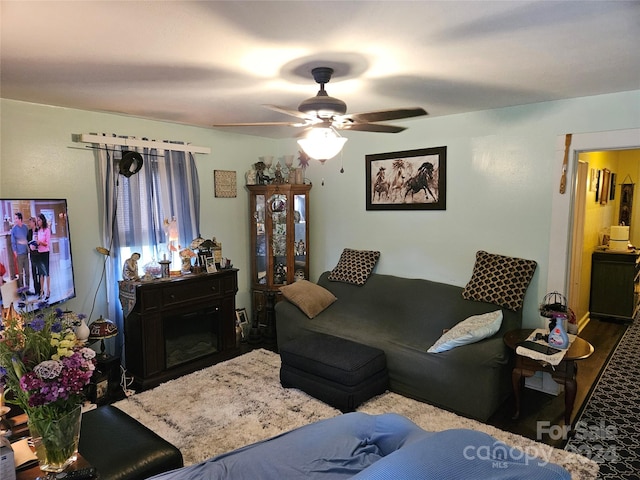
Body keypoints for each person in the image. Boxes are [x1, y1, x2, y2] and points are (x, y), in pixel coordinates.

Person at [10, 212, 31, 293]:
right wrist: (15, 252)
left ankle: (27, 289)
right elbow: (13, 242)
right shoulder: (14, 230)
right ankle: (22, 291)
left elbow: (28, 238)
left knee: (27, 272)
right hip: (19, 254)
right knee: (20, 274)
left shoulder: (25, 227)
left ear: (20, 219)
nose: (15, 220)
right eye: (14, 218)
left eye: (16, 218)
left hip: (26, 253)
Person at [35, 213, 51, 300]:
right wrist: (35, 244)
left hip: (45, 253)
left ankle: (48, 291)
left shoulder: (47, 230)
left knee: (46, 272)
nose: (38, 222)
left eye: (39, 220)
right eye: (37, 220)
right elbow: (37, 241)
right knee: (41, 274)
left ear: (43, 220)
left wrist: (40, 242)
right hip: (39, 253)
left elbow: (47, 244)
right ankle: (41, 292)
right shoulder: (38, 230)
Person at [27, 216, 41, 296]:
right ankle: (36, 290)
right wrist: (30, 246)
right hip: (32, 255)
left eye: (31, 222)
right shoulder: (29, 232)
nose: (29, 224)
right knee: (34, 272)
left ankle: (40, 289)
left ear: (34, 222)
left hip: (38, 254)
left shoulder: (38, 230)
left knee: (39, 272)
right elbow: (28, 241)